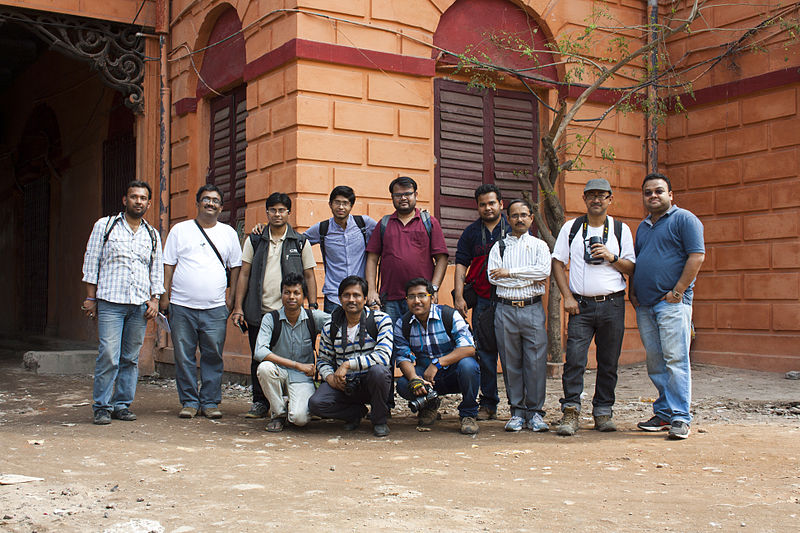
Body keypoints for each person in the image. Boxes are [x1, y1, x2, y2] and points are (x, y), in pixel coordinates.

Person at [550, 178, 635, 436]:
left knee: (608, 361)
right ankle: (571, 411)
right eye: (591, 195)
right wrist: (567, 297)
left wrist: (611, 257)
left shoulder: (621, 230)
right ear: (584, 199)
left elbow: (631, 268)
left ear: (610, 199)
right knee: (575, 359)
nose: (596, 199)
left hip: (612, 304)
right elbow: (557, 263)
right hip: (581, 306)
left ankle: (603, 411)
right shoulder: (572, 228)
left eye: (602, 195)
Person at [81, 180, 164, 425]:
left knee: (130, 357)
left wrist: (155, 299)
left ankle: (122, 405)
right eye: (134, 196)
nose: (138, 201)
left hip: (139, 305)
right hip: (110, 301)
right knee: (108, 354)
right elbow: (91, 261)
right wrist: (89, 297)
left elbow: (156, 269)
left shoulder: (152, 234)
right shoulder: (105, 226)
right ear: (124, 200)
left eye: (143, 198)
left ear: (148, 203)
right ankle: (101, 406)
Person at [631, 173, 705, 440]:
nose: (653, 196)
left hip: (672, 304)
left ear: (670, 195)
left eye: (659, 191)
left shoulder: (684, 219)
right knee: (656, 362)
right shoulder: (643, 227)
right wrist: (633, 292)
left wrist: (678, 291)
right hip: (646, 305)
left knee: (675, 360)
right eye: (648, 192)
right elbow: (639, 262)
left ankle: (681, 417)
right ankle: (664, 413)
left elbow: (697, 256)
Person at [231, 192, 317, 419]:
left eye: (282, 210)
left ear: (289, 213)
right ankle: (260, 403)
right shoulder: (255, 239)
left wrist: (314, 304)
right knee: (259, 358)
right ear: (267, 212)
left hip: (290, 314)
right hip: (260, 312)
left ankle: (296, 399)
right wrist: (238, 307)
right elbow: (244, 274)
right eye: (273, 210)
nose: (277, 214)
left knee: (297, 355)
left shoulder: (300, 241)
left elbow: (309, 275)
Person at [160, 184, 242, 419]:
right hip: (181, 305)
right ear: (197, 203)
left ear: (221, 207)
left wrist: (231, 299)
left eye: (215, 200)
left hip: (216, 308)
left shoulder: (228, 233)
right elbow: (168, 265)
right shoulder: (180, 230)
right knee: (183, 355)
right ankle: (188, 401)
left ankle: (210, 402)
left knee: (213, 355)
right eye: (206, 199)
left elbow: (235, 268)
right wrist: (164, 296)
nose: (210, 203)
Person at [488, 199, 551, 432]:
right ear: (509, 218)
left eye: (524, 215)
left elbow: (543, 271)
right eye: (515, 215)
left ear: (531, 217)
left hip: (532, 308)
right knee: (510, 360)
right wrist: (526, 277)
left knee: (535, 362)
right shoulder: (500, 247)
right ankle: (516, 411)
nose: (520, 219)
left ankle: (535, 412)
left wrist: (510, 273)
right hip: (505, 308)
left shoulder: (540, 246)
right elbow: (494, 277)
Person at [308, 276, 394, 437]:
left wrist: (347, 365)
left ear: (365, 298)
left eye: (357, 295)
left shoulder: (380, 320)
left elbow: (383, 357)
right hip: (344, 384)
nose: (351, 300)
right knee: (316, 404)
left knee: (379, 372)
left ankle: (379, 420)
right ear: (340, 299)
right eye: (346, 295)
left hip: (371, 382)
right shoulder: (330, 326)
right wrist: (330, 377)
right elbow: (323, 360)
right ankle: (354, 413)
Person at [453, 183, 510, 421]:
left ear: (501, 204)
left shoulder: (514, 227)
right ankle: (488, 404)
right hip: (484, 301)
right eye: (483, 204)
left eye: (492, 203)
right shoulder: (471, 232)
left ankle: (520, 405)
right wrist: (458, 295)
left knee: (513, 355)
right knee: (485, 355)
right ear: (477, 206)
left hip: (511, 300)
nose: (488, 208)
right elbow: (461, 264)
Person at [394, 278, 480, 435]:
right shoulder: (403, 323)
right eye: (411, 297)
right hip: (427, 378)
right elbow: (402, 356)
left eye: (422, 295)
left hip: (454, 373)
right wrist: (414, 378)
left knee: (468, 366)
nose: (417, 301)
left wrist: (437, 364)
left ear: (432, 297)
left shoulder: (449, 315)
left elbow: (469, 348)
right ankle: (430, 406)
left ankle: (468, 414)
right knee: (403, 383)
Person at [364, 176, 449, 324]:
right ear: (392, 197)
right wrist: (372, 290)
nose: (403, 198)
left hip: (421, 298)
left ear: (415, 195)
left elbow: (442, 258)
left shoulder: (428, 222)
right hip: (390, 299)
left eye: (408, 194)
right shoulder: (384, 224)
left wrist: (434, 288)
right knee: (392, 341)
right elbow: (372, 259)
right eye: (398, 195)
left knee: (422, 340)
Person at [253, 273, 330, 432]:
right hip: (278, 373)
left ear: (304, 296)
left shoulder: (312, 317)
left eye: (296, 293)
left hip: (302, 378)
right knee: (264, 368)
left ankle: (292, 408)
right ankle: (279, 414)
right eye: (287, 292)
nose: (291, 297)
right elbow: (259, 351)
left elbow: (339, 322)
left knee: (299, 419)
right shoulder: (271, 318)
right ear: (281, 294)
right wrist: (297, 365)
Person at [303, 186, 378, 313]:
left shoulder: (364, 224)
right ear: (330, 204)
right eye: (337, 202)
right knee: (332, 332)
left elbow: (387, 235)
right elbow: (297, 241)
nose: (341, 207)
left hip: (360, 296)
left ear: (351, 206)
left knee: (361, 332)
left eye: (345, 203)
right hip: (334, 296)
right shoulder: (323, 228)